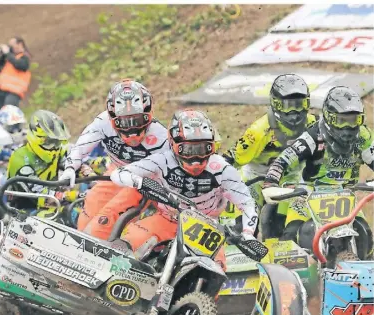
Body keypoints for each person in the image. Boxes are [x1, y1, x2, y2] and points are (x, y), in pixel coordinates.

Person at [110, 109, 258, 257]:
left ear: (212, 146)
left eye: (202, 149)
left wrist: (248, 233)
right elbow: (118, 174)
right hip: (167, 219)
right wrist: (141, 183)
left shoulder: (222, 169)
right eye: (188, 149)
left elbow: (247, 203)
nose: (195, 158)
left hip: (205, 229)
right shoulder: (162, 160)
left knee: (217, 268)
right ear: (174, 144)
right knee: (130, 242)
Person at [263, 86, 373, 254]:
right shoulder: (313, 136)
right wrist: (270, 181)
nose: (348, 128)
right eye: (341, 120)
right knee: (294, 235)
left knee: (364, 233)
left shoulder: (364, 137)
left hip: (345, 195)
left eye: (353, 120)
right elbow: (283, 160)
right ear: (329, 118)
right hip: (308, 195)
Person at [60, 79, 169, 240]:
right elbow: (81, 147)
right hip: (115, 170)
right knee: (89, 210)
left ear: (149, 114)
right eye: (124, 121)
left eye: (138, 120)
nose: (132, 129)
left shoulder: (160, 136)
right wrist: (70, 168)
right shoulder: (102, 122)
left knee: (106, 219)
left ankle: (100, 254)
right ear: (112, 117)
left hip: (141, 181)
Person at [221, 74, 316, 237]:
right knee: (242, 229)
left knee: (283, 229)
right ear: (276, 104)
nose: (295, 112)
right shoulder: (259, 131)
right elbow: (230, 159)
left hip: (289, 181)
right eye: (288, 106)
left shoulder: (313, 124)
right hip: (256, 179)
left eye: (300, 105)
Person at [7, 109, 71, 213]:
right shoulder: (20, 158)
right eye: (50, 142)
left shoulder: (58, 152)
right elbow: (40, 195)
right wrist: (69, 196)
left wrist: (94, 168)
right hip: (24, 212)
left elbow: (74, 165)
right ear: (36, 138)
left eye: (57, 142)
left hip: (54, 205)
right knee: (72, 214)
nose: (54, 147)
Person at [0, 37, 31, 114]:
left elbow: (20, 65)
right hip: (1, 91)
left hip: (13, 92)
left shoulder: (24, 57)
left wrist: (8, 53)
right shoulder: (10, 58)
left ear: (20, 44)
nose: (10, 48)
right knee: (0, 116)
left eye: (11, 45)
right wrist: (2, 56)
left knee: (10, 115)